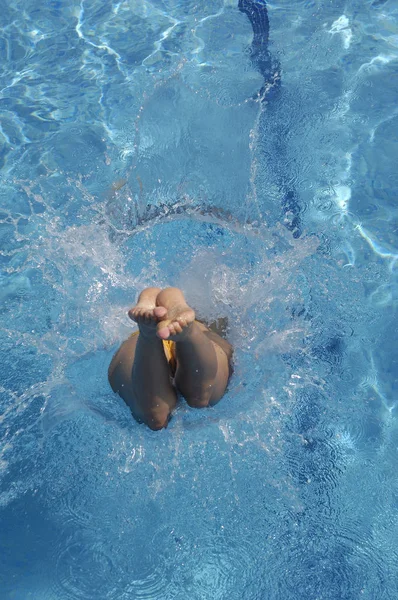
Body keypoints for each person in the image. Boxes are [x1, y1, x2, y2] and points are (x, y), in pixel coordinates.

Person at [108, 287, 233, 430]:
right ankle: (188, 331)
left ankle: (148, 332)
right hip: (200, 333)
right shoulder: (218, 308)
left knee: (155, 418)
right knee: (200, 398)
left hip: (138, 342)